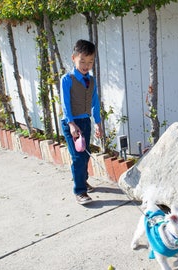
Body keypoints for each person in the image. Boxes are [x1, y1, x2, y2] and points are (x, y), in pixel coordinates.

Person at [60, 39, 103, 205]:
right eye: (82, 61)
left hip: (85, 121)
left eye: (90, 61)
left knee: (85, 155)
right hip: (71, 124)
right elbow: (65, 104)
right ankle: (80, 191)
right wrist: (71, 124)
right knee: (77, 157)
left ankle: (82, 180)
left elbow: (95, 102)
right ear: (74, 58)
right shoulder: (67, 79)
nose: (86, 65)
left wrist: (98, 123)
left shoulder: (91, 81)